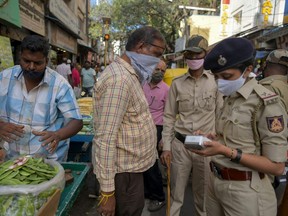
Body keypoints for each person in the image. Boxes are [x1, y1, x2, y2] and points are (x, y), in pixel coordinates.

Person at [191, 37, 288, 216]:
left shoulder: (265, 103)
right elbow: (234, 138)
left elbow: (276, 167)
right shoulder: (230, 97)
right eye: (217, 77)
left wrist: (224, 151)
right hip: (216, 183)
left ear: (248, 70)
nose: (220, 83)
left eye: (227, 76)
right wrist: (212, 139)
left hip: (246, 191)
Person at [92, 26, 166, 216]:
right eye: (156, 54)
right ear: (141, 47)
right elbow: (105, 138)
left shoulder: (131, 75)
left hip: (131, 169)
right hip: (123, 173)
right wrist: (107, 192)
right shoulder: (120, 80)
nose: (158, 62)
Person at [160, 35, 223, 216]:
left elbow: (220, 115)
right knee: (175, 193)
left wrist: (219, 144)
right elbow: (169, 116)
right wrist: (166, 147)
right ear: (186, 56)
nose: (194, 59)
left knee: (203, 194)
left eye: (198, 55)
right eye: (190, 55)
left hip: (205, 145)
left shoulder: (215, 82)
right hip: (181, 145)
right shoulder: (177, 84)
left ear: (206, 54)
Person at [0, 35, 83, 161]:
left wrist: (58, 135)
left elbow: (76, 121)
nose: (31, 67)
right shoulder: (4, 78)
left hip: (48, 161)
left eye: (38, 63)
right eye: (26, 61)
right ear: (20, 57)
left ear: (47, 60)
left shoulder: (60, 85)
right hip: (11, 160)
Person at [143, 59, 169, 212]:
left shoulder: (166, 89)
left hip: (157, 128)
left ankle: (158, 197)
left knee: (152, 164)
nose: (159, 72)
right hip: (142, 127)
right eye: (156, 68)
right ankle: (147, 192)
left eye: (163, 70)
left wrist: (164, 137)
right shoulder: (142, 85)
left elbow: (169, 114)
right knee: (143, 163)